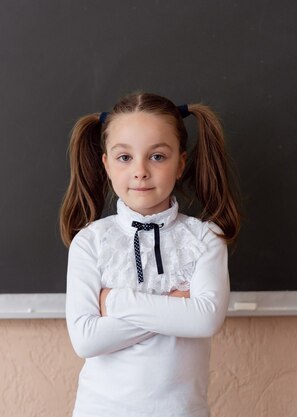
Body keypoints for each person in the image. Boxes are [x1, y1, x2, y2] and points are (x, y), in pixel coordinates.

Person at [59, 92, 240, 417]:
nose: (140, 171)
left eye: (157, 156)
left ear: (180, 163)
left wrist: (114, 302)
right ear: (107, 165)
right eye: (125, 158)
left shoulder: (204, 238)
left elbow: (205, 319)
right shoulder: (91, 241)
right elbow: (86, 340)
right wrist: (176, 306)